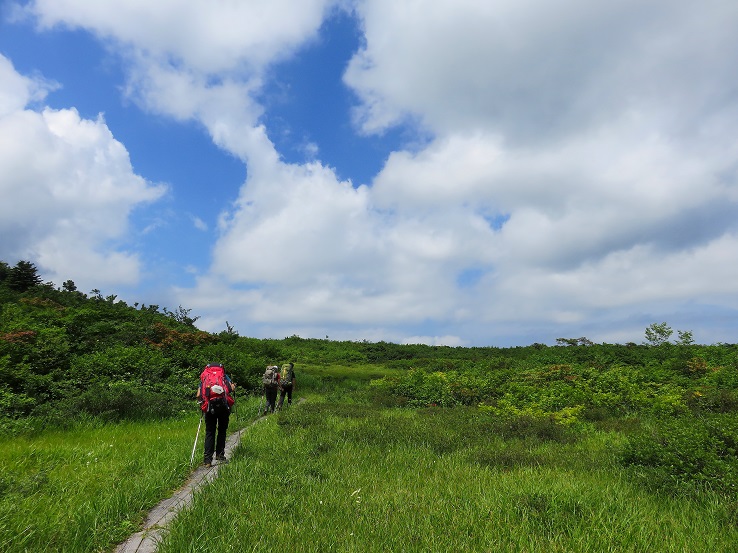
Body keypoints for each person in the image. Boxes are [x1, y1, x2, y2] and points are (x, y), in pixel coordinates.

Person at [197, 363, 235, 467]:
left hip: (209, 407)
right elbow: (231, 388)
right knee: (222, 430)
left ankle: (207, 460)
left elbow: (198, 394)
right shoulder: (223, 376)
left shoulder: (205, 377)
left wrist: (202, 403)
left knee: (210, 432)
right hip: (223, 406)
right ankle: (220, 455)